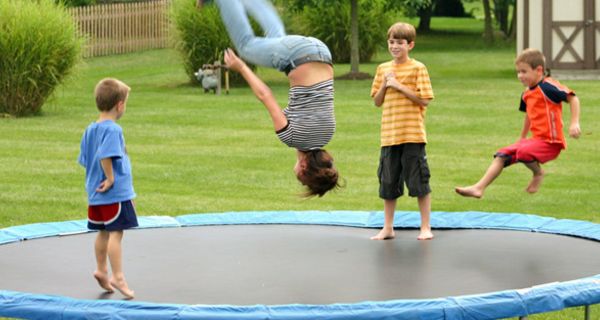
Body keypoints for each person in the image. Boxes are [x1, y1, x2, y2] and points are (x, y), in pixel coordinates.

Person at [210, 0, 340, 197]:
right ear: (304, 167)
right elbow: (265, 95)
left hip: (320, 51)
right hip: (296, 56)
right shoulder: (292, 137)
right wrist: (241, 67)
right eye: (300, 178)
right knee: (245, 45)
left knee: (277, 38)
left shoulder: (327, 134)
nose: (295, 173)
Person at [455, 49, 581, 198]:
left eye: (524, 72)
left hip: (551, 143)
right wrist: (522, 137)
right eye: (518, 72)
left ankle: (538, 173)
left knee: (523, 152)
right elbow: (529, 114)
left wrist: (574, 123)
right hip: (536, 141)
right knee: (501, 155)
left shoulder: (548, 87)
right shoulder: (527, 93)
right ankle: (478, 188)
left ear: (539, 70)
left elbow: (573, 98)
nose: (520, 76)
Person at [369, 22, 434, 241]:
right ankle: (388, 227)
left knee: (419, 181)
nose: (395, 46)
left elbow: (424, 100)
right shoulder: (382, 69)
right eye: (392, 42)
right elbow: (377, 102)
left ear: (410, 45)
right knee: (388, 182)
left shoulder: (418, 68)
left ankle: (425, 227)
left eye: (400, 43)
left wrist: (398, 85)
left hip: (412, 134)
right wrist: (386, 86)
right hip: (389, 135)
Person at [78, 78, 138, 299]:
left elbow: (86, 160)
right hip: (113, 193)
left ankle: (101, 270)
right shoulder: (113, 129)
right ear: (120, 105)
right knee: (116, 233)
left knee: (103, 232)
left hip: (95, 194)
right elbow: (105, 156)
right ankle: (118, 275)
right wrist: (111, 178)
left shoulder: (90, 130)